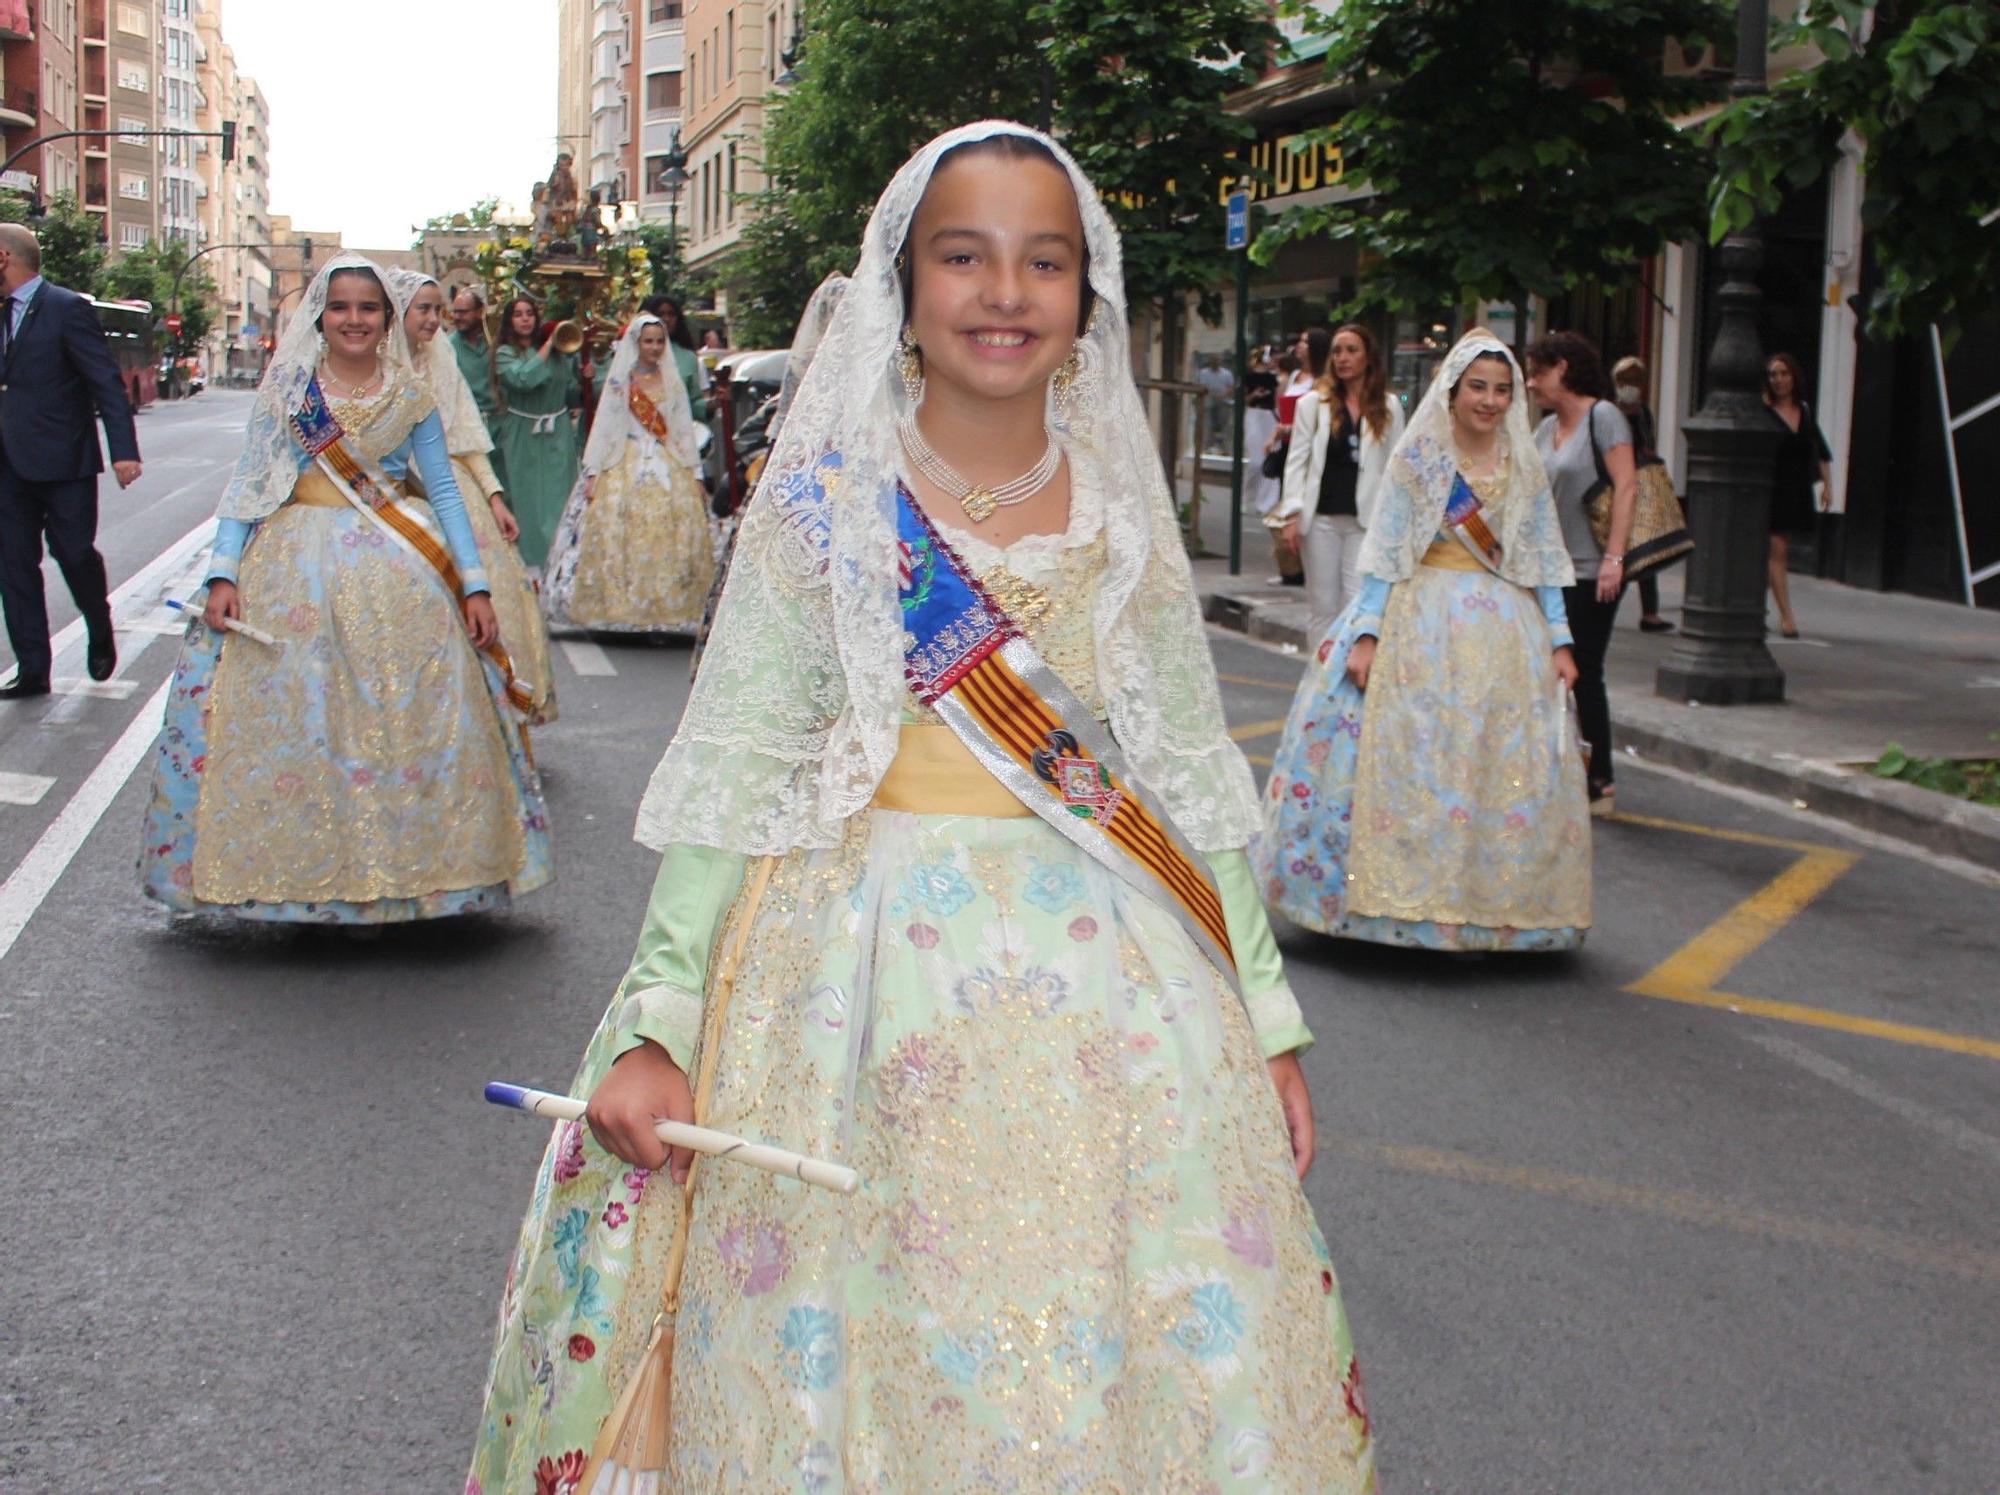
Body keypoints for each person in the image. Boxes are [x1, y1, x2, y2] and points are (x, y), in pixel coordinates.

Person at [469, 122, 1374, 1494]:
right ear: (907, 278)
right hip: (848, 979)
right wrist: (659, 1017)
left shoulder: (1124, 511)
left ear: (1087, 295)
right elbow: (741, 767)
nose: (1005, 291)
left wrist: (1265, 1014)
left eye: (1043, 259)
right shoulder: (828, 503)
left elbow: (1181, 770)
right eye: (966, 255)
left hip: (1112, 989)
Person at [136, 256, 553, 922]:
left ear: (387, 319)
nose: (353, 319)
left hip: (401, 565)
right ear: (320, 317)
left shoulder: (410, 393)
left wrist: (474, 581)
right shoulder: (290, 390)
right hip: (293, 562)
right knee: (299, 714)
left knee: (403, 710)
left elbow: (443, 487)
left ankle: (409, 873)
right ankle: (296, 875)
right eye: (339, 307)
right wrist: (223, 569)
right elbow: (250, 480)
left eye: (367, 308)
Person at [1254, 331, 1589, 951]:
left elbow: (1543, 557)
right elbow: (1385, 552)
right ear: (1453, 392)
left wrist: (1560, 641)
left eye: (1501, 390)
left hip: (1504, 632)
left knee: (1491, 770)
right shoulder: (1420, 459)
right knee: (1412, 760)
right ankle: (1390, 905)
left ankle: (1492, 911)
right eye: (1477, 389)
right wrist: (1366, 633)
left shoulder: (1524, 464)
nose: (1489, 402)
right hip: (1420, 620)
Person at [388, 269, 559, 724]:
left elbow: (466, 437)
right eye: (422, 309)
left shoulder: (443, 361)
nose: (432, 320)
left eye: (436, 310)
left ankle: (490, 716)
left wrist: (495, 499)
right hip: (396, 499)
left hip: (454, 490)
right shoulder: (377, 365)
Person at [0, 222, 141, 700]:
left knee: (73, 553)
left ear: (4, 258)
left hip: (64, 462)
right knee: (13, 565)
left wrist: (123, 450)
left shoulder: (66, 309)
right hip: (6, 466)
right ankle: (34, 669)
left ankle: (98, 624)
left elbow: (105, 381)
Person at [541, 315, 716, 633]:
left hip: (666, 459)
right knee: (618, 524)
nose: (654, 347)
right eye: (648, 341)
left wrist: (696, 474)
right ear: (636, 344)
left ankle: (667, 607)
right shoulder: (622, 380)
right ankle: (623, 605)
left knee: (673, 526)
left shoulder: (671, 380)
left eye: (659, 341)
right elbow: (607, 426)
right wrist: (594, 471)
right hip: (626, 458)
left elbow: (682, 430)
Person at [1526, 331, 1637, 817]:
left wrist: (1615, 557)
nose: (1531, 383)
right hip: (1551, 571)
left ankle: (1601, 779)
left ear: (1564, 369)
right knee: (1549, 672)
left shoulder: (1604, 417)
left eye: (1537, 372)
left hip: (1595, 570)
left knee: (1584, 673)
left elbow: (1628, 486)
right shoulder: (1543, 430)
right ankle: (1564, 768)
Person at [1272, 323, 1407, 644]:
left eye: (1352, 351)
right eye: (1337, 352)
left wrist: (1395, 523)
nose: (1343, 358)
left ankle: (1347, 681)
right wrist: (1291, 513)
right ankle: (1319, 683)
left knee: (1357, 605)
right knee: (1322, 606)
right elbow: (1297, 462)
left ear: (1368, 357)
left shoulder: (1388, 407)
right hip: (1321, 519)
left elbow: (1396, 468)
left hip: (1365, 521)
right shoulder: (1313, 404)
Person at [491, 294, 582, 572]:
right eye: (518, 314)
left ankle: (563, 560)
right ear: (509, 321)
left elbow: (569, 391)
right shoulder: (505, 353)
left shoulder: (558, 354)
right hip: (524, 432)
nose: (525, 319)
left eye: (529, 313)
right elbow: (523, 379)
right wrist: (547, 346)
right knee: (528, 500)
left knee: (560, 496)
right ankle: (532, 564)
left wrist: (585, 375)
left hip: (557, 432)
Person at [1764, 351, 1832, 640]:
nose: (1779, 380)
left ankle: (1761, 606)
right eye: (1773, 375)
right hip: (1770, 487)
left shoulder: (1803, 410)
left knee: (1777, 549)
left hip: (1795, 487)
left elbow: (1819, 448)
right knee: (1776, 548)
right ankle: (1787, 616)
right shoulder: (1764, 411)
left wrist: (1828, 485)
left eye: (1784, 373)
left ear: (1794, 377)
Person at [1612, 355, 1672, 633]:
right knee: (1626, 552)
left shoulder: (1644, 413)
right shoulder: (1611, 413)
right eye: (1627, 381)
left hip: (1644, 487)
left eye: (1637, 381)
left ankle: (1650, 612)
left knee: (1646, 549)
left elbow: (1648, 445)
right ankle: (1608, 604)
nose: (1632, 387)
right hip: (1619, 489)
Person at [639, 292, 709, 420]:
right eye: (660, 314)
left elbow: (693, 404)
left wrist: (712, 405)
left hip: (675, 433)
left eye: (671, 314)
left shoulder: (688, 358)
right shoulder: (630, 353)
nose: (666, 319)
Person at [448, 287, 503, 450]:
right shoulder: (448, 347)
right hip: (468, 428)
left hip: (500, 426)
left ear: (480, 312)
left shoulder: (494, 342)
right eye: (455, 312)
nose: (457, 317)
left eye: (463, 312)